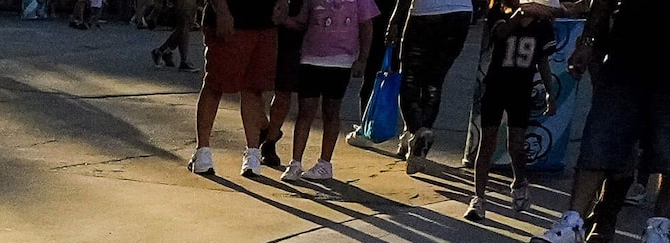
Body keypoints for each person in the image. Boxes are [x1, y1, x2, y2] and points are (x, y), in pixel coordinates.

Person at [526, 0, 670, 243]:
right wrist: (588, 44)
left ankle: (658, 230)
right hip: (628, 53)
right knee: (599, 139)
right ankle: (573, 222)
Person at [466, 0, 554, 213]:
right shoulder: (500, 12)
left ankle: (520, 181)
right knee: (487, 142)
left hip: (521, 89)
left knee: (515, 144)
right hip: (496, 85)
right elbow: (500, 33)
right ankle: (478, 197)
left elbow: (543, 61)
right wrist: (516, 16)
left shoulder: (542, 23)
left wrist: (550, 91)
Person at [192, 0, 291, 174]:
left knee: (254, 87)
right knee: (215, 85)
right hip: (229, 18)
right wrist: (222, 9)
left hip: (265, 22)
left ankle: (253, 153)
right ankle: (203, 151)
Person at [286, 0, 379, 177]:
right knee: (305, 111)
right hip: (311, 58)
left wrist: (363, 59)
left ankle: (325, 163)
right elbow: (302, 21)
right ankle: (295, 162)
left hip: (342, 61)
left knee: (331, 111)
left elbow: (367, 25)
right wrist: (282, 18)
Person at [386, 0, 474, 161]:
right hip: (460, 13)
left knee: (409, 79)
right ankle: (422, 131)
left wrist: (394, 20)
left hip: (426, 13)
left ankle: (417, 129)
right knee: (434, 81)